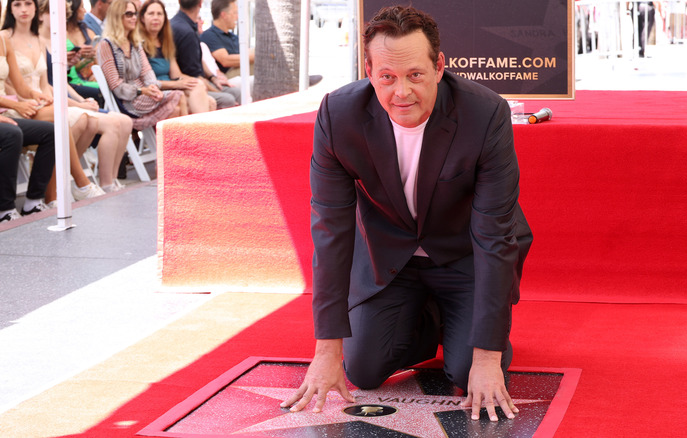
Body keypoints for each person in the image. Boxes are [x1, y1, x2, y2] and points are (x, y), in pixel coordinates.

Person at [280, 5, 533, 423]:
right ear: (369, 72)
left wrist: (487, 356)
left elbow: (495, 235)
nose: (402, 92)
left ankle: (462, 331)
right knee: (363, 370)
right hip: (391, 260)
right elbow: (330, 229)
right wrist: (326, 348)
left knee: (467, 372)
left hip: (465, 255)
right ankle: (430, 319)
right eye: (387, 77)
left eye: (415, 74)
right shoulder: (338, 116)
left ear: (439, 67)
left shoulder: (484, 114)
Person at [1, 0, 105, 202]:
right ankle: (78, 184)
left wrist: (39, 96)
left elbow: (29, 85)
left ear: (35, 9)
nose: (23, 10)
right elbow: (11, 88)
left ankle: (59, 190)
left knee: (75, 118)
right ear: (10, 9)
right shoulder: (5, 37)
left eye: (28, 4)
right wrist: (21, 103)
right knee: (62, 118)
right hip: (14, 106)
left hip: (31, 101)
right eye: (17, 5)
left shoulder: (37, 39)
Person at [40, 0, 133, 191]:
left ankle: (110, 180)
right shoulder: (39, 42)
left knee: (125, 121)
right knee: (109, 122)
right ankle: (87, 182)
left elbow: (62, 81)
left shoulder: (55, 40)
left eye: (64, 16)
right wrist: (79, 104)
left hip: (64, 94)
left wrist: (82, 100)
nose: (61, 20)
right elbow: (49, 86)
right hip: (52, 100)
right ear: (41, 15)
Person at [96, 0, 184, 131]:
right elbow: (117, 86)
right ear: (117, 16)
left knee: (177, 105)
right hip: (127, 101)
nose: (134, 18)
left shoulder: (135, 43)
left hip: (144, 95)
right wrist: (142, 91)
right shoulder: (106, 45)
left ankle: (175, 148)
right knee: (178, 98)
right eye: (129, 14)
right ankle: (178, 149)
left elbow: (147, 73)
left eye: (135, 14)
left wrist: (153, 88)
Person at [138, 0, 215, 114]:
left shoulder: (165, 43)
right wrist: (177, 84)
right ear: (143, 18)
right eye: (151, 14)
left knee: (209, 99)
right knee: (203, 98)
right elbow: (146, 82)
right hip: (155, 92)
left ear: (164, 18)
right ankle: (201, 130)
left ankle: (202, 130)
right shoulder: (139, 45)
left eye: (159, 14)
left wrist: (194, 81)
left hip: (172, 88)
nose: (156, 18)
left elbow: (176, 75)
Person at [171, 0, 240, 109]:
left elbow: (198, 59)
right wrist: (216, 89)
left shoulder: (185, 26)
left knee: (235, 92)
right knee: (230, 98)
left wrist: (213, 78)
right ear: (200, 3)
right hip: (190, 84)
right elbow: (194, 75)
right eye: (235, 13)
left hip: (202, 80)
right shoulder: (186, 31)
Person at [200, 0, 254, 80]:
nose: (237, 17)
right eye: (235, 13)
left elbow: (248, 52)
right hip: (225, 76)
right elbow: (225, 60)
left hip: (239, 71)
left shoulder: (234, 36)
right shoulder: (209, 35)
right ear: (224, 15)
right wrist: (256, 56)